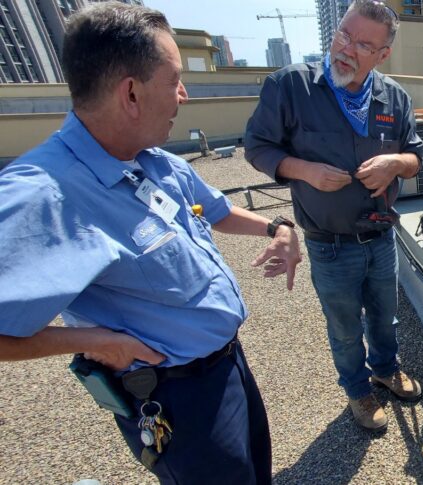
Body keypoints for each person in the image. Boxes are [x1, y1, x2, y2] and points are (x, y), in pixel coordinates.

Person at [0, 4, 301, 484]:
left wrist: (278, 227)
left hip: (228, 366)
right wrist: (97, 342)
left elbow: (217, 213)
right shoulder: (44, 193)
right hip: (175, 398)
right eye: (175, 79)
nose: (183, 94)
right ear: (132, 93)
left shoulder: (156, 162)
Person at [244, 0, 423, 431]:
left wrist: (395, 164)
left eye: (363, 43)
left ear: (382, 55)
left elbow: (415, 155)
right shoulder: (290, 87)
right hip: (329, 243)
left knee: (385, 316)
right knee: (344, 327)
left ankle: (385, 367)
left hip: (381, 239)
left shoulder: (393, 97)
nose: (345, 47)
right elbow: (257, 147)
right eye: (343, 33)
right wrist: (303, 170)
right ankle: (358, 390)